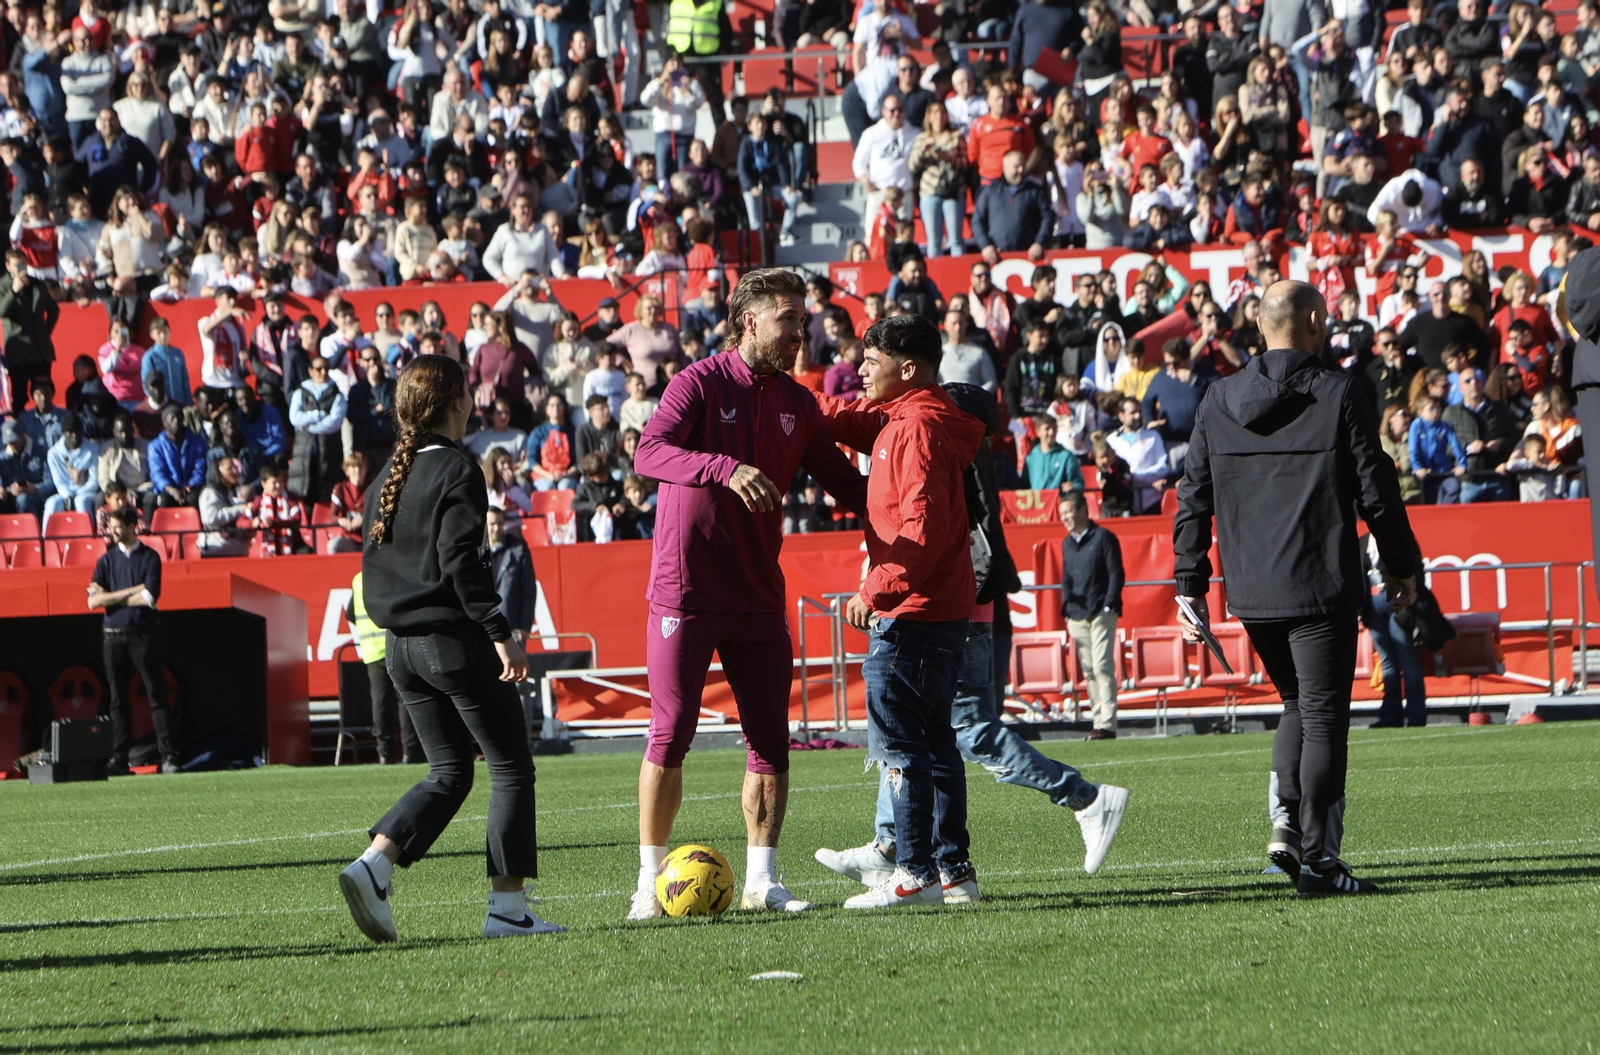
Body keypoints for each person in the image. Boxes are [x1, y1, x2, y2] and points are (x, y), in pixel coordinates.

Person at [815, 382, 1128, 895]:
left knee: (963, 730)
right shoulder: (959, 452)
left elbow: (955, 540)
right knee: (920, 732)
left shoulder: (942, 452)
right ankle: (909, 852)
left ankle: (1084, 797)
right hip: (966, 612)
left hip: (958, 614)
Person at [628, 268, 868, 920]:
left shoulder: (799, 403)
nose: (800, 333)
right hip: (686, 590)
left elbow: (848, 486)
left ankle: (763, 880)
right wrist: (723, 467)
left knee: (771, 738)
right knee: (671, 732)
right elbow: (649, 453)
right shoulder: (698, 383)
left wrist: (908, 506)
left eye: (803, 321)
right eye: (788, 319)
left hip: (759, 593)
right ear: (748, 322)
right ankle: (648, 883)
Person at [1173, 280, 1420, 897]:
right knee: (1323, 715)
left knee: (1295, 704)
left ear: (1261, 326)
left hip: (1252, 589)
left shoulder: (1218, 397)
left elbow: (1193, 494)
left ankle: (1286, 831)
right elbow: (1377, 488)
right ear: (1314, 321)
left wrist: (1189, 583)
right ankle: (1320, 862)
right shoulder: (1340, 390)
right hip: (1319, 582)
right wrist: (1402, 566)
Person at [340, 354, 562, 944]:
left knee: (449, 771)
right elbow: (462, 564)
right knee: (510, 766)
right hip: (453, 644)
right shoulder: (458, 468)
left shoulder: (386, 476)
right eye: (467, 393)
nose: (473, 402)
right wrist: (501, 633)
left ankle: (376, 863)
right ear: (454, 403)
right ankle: (508, 909)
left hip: (400, 650)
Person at [805, 313, 986, 908]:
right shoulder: (914, 417)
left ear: (907, 369)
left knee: (902, 750)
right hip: (939, 607)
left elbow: (922, 529)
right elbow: (850, 417)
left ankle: (913, 874)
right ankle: (953, 872)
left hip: (912, 611)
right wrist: (794, 396)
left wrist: (875, 590)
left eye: (870, 360)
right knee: (936, 747)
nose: (859, 370)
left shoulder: (913, 429)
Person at [89, 506, 179, 775]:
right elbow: (93, 601)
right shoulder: (106, 560)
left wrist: (111, 598)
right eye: (112, 527)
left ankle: (169, 756)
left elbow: (149, 598)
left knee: (156, 695)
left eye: (118, 527)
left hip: (143, 635)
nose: (113, 532)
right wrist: (131, 591)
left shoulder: (150, 557)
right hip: (112, 637)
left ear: (131, 527)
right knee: (117, 700)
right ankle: (118, 759)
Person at [1060, 488, 1124, 739]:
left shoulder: (1104, 538)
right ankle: (1097, 720)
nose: (1064, 517)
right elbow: (1066, 578)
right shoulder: (1067, 543)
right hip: (1076, 615)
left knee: (1102, 665)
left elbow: (1116, 573)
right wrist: (1067, 606)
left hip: (1100, 613)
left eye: (1068, 512)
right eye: (1062, 513)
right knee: (1088, 669)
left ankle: (1107, 723)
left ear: (1083, 511)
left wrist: (1109, 605)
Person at [347, 570, 423, 764]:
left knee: (380, 702)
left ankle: (384, 753)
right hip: (396, 645)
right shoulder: (391, 571)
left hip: (372, 650)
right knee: (405, 699)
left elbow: (350, 614)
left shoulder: (358, 579)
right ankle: (410, 752)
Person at [0, 250, 59, 418]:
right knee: (19, 396)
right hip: (19, 352)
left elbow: (53, 309)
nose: (21, 268)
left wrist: (46, 331)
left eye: (23, 264)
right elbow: (2, 312)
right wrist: (14, 291)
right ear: (8, 266)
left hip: (41, 351)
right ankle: (21, 426)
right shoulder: (3, 285)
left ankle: (46, 424)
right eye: (17, 265)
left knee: (44, 392)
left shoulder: (37, 284)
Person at [288, 356, 347, 504]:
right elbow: (295, 418)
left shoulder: (337, 394)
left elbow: (335, 422)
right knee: (304, 494)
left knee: (326, 494)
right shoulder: (300, 392)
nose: (323, 372)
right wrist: (318, 415)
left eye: (326, 369)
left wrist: (308, 426)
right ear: (310, 371)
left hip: (329, 452)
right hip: (303, 452)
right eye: (319, 369)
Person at [46, 412, 101, 516]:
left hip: (87, 493)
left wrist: (76, 495)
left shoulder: (93, 449)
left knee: (80, 501)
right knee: (51, 503)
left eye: (77, 432)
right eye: (70, 432)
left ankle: (86, 527)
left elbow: (94, 481)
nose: (75, 436)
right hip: (65, 493)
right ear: (64, 433)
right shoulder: (53, 454)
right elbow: (59, 481)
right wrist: (68, 495)